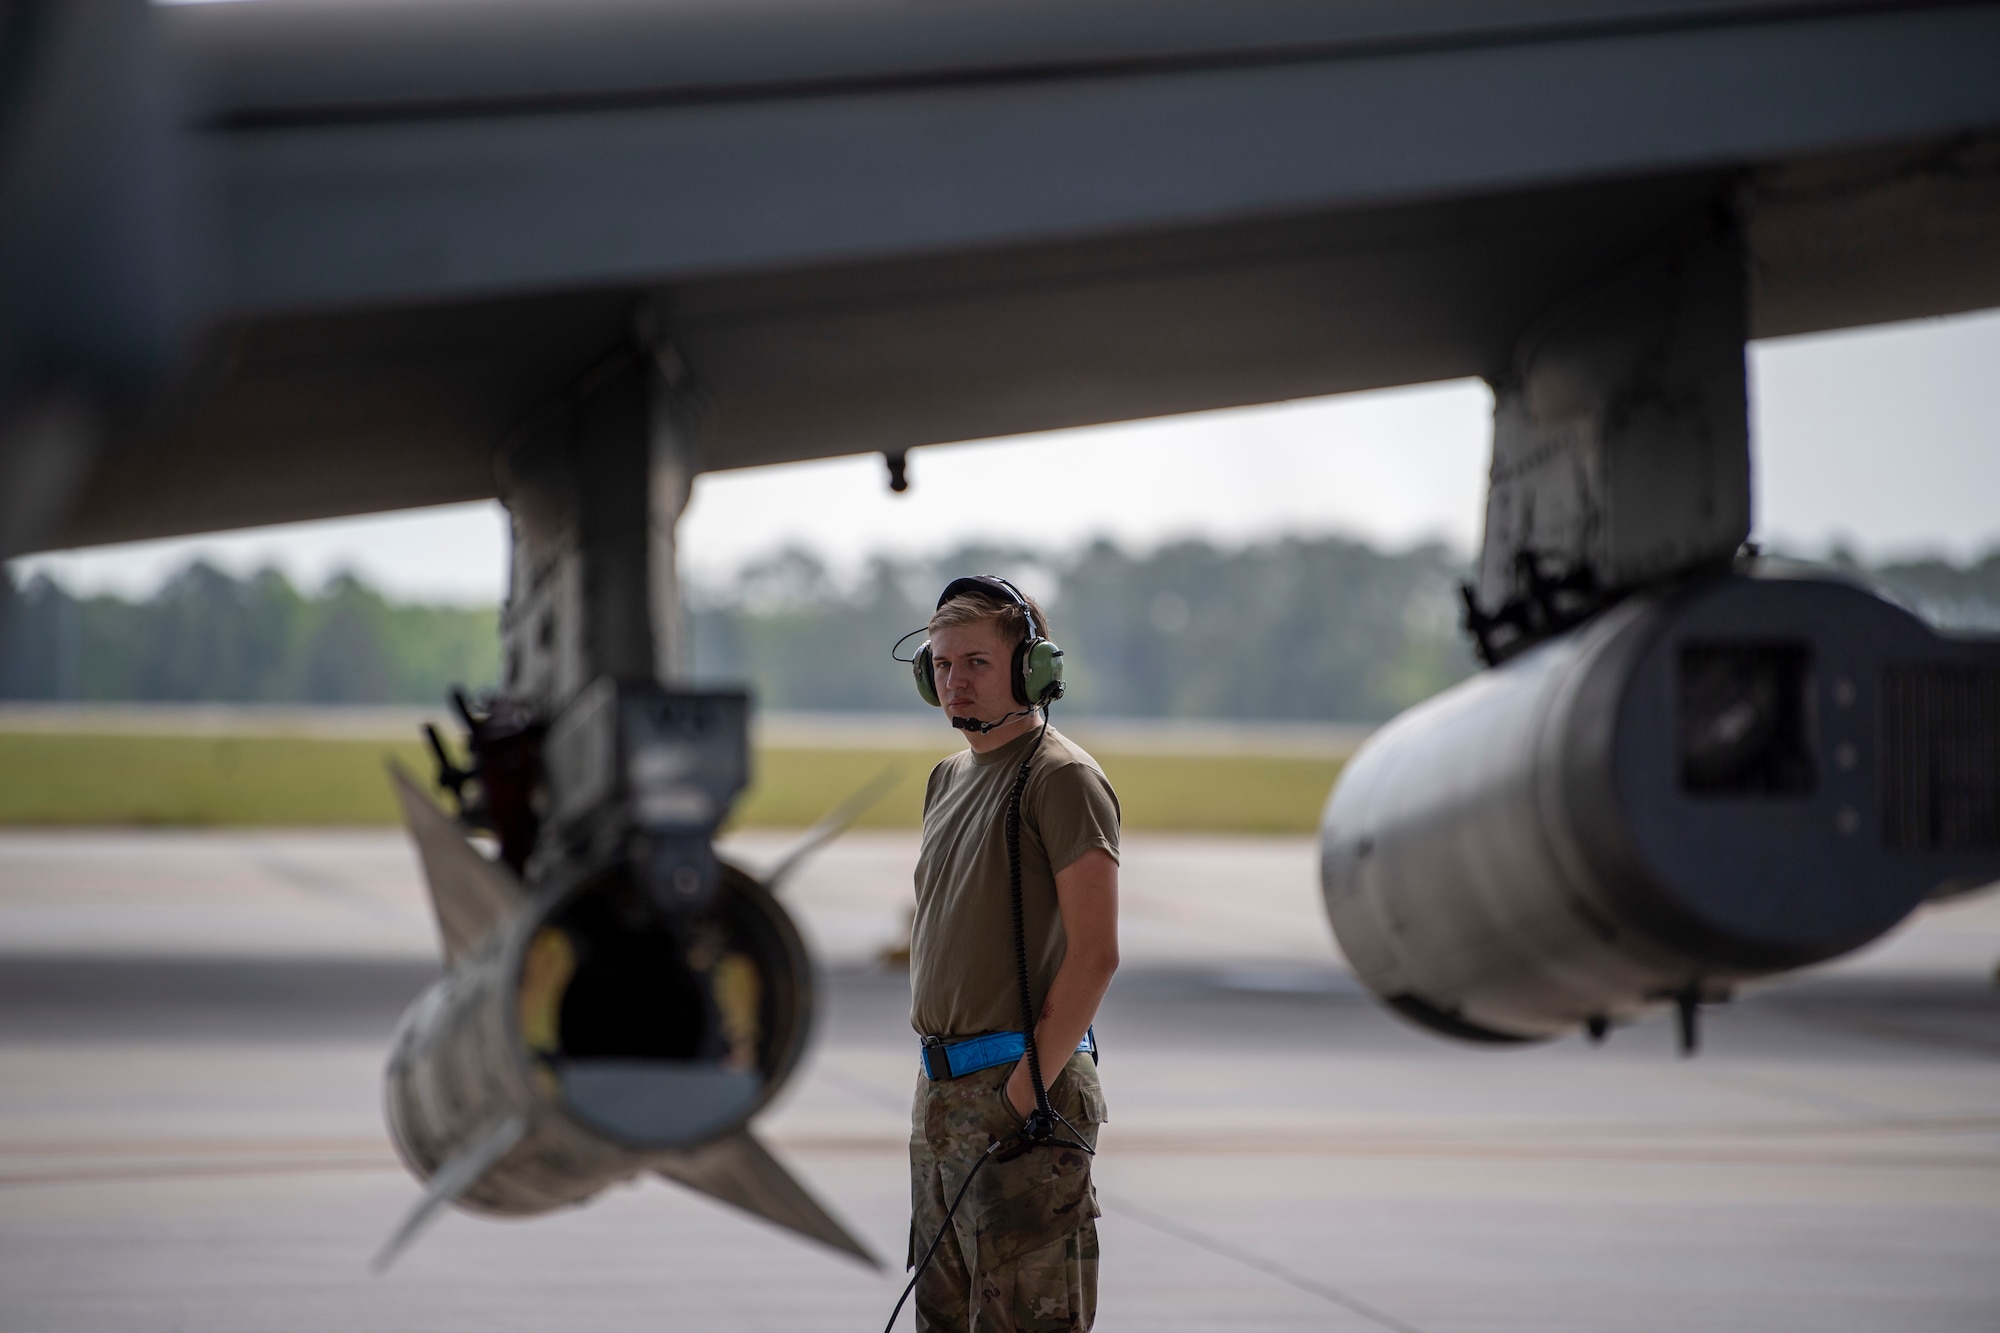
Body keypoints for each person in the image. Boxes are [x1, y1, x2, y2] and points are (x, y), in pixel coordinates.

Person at [904, 576, 1121, 1332]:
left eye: (976, 663)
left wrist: (1019, 1099)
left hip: (1020, 1096)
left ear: (1031, 671)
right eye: (940, 664)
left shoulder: (1062, 778)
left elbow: (1095, 956)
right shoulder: (948, 778)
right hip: (944, 1099)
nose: (954, 681)